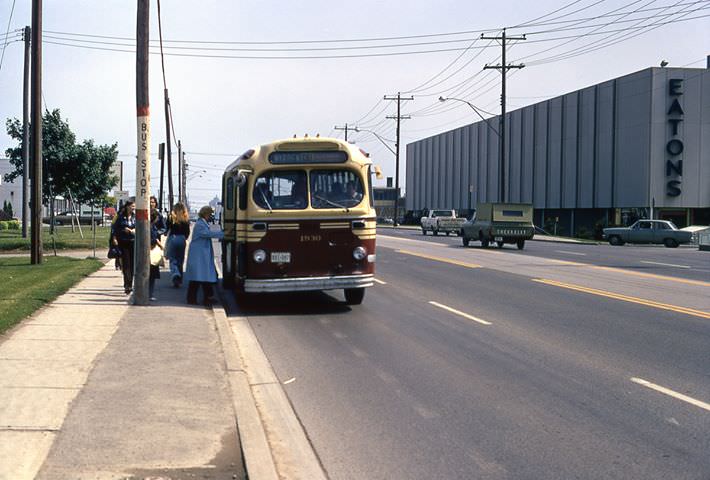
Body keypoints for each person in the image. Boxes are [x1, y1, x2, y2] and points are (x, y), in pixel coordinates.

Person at [184, 206, 224, 306]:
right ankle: (195, 299)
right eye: (210, 214)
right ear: (206, 214)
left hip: (201, 255)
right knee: (198, 279)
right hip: (199, 255)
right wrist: (223, 234)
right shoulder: (200, 224)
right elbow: (207, 234)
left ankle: (206, 297)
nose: (211, 216)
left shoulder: (202, 223)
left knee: (202, 278)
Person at [112, 200, 136, 294]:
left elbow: (139, 226)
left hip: (133, 242)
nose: (132, 208)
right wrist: (116, 237)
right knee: (126, 264)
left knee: (132, 265)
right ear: (127, 207)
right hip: (123, 242)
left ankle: (130, 283)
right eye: (131, 206)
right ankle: (127, 285)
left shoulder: (135, 217)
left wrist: (134, 229)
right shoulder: (120, 217)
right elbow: (115, 228)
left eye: (134, 206)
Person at [165, 202, 190, 287]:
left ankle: (175, 273)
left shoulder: (171, 217)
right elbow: (188, 232)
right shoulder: (185, 218)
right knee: (180, 260)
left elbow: (167, 229)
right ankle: (179, 280)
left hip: (173, 238)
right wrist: (184, 238)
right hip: (182, 239)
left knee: (172, 258)